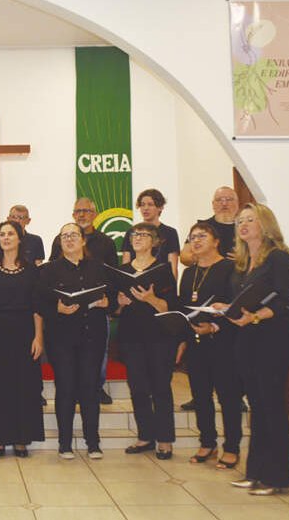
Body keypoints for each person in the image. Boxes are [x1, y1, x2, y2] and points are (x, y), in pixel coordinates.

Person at [216, 203, 289, 495]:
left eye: (250, 220)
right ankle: (256, 472)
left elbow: (283, 301)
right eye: (240, 221)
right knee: (257, 408)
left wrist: (254, 317)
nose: (243, 225)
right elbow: (241, 300)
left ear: (265, 224)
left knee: (272, 407)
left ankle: (279, 477)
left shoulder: (279, 259)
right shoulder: (241, 263)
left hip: (271, 340)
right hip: (246, 340)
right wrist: (225, 308)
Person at [38, 223, 112, 459]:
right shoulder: (48, 270)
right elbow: (39, 303)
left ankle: (93, 442)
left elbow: (115, 297)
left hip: (93, 335)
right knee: (66, 388)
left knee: (90, 388)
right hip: (62, 339)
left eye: (74, 235)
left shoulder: (99, 267)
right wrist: (57, 308)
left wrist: (107, 303)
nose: (69, 239)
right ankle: (65, 442)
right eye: (64, 236)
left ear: (82, 241)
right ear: (60, 242)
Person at [0, 220, 44, 457]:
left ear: (19, 239)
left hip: (25, 333)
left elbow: (38, 308)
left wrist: (38, 337)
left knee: (23, 386)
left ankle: (21, 438)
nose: (6, 237)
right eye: (2, 234)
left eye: (10, 234)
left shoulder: (31, 270)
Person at [178, 222, 242, 469]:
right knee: (200, 395)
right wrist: (183, 339)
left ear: (216, 241)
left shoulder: (230, 268)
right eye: (192, 237)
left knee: (228, 396)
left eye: (202, 236)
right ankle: (208, 442)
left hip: (224, 341)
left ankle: (232, 447)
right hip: (196, 342)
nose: (196, 241)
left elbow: (237, 305)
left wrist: (215, 326)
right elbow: (184, 308)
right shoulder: (189, 273)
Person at [115, 223, 178, 460]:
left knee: (161, 387)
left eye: (143, 235)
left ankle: (164, 439)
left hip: (159, 337)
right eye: (133, 234)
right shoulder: (122, 271)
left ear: (155, 241)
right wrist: (120, 303)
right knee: (138, 387)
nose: (137, 238)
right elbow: (115, 310)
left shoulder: (162, 270)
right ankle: (145, 436)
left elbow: (170, 307)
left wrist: (151, 299)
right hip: (132, 336)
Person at [49, 197, 119, 405]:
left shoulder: (106, 242)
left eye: (86, 211)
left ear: (95, 214)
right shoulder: (58, 240)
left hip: (95, 309)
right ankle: (71, 391)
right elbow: (52, 270)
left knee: (99, 350)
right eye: (78, 211)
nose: (82, 215)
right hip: (67, 309)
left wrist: (109, 300)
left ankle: (96, 388)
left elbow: (113, 275)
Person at [121, 189, 180, 280]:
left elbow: (173, 267)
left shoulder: (170, 233)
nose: (145, 208)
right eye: (142, 204)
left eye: (150, 204)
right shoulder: (131, 232)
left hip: (160, 281)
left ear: (160, 207)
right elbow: (125, 264)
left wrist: (171, 289)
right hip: (134, 280)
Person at [179, 187, 239, 266]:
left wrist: (245, 259)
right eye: (219, 200)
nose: (224, 203)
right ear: (213, 204)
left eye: (229, 199)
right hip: (209, 273)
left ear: (237, 203)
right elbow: (184, 256)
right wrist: (200, 257)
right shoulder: (202, 227)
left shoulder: (245, 227)